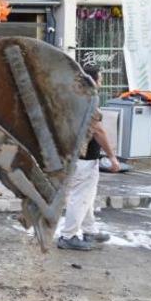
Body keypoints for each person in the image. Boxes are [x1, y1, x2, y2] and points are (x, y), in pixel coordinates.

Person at [56, 64, 121, 250]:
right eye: (100, 78)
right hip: (84, 159)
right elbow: (98, 131)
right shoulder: (89, 98)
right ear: (92, 80)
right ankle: (67, 236)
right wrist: (112, 156)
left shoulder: (72, 96)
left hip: (74, 155)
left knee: (87, 196)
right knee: (80, 197)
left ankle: (89, 230)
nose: (101, 82)